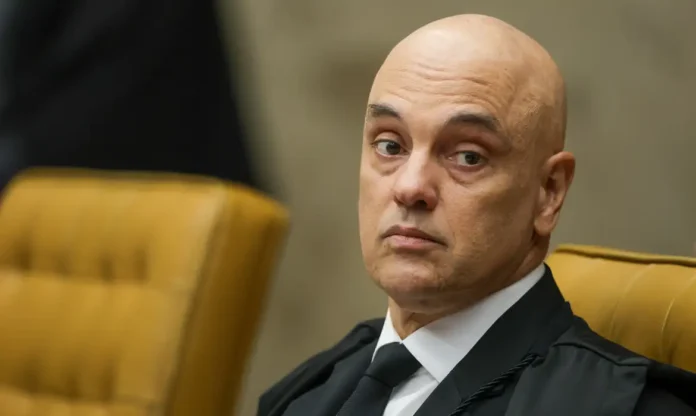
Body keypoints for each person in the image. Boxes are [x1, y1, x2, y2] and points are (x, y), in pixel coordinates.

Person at [258, 14, 696, 416]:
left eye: (468, 156)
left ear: (549, 192)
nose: (410, 187)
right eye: (390, 145)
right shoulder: (305, 393)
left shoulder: (630, 410)